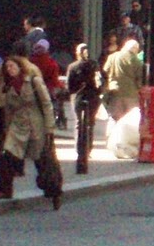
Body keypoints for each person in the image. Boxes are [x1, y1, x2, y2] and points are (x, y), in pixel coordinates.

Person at [0, 46, 58, 205]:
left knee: (42, 159)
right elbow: (5, 106)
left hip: (36, 124)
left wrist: (49, 128)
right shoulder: (7, 84)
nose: (9, 69)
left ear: (19, 65)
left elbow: (46, 103)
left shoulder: (33, 79)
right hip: (18, 124)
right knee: (7, 156)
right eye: (7, 67)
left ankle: (53, 190)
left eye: (12, 66)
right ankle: (4, 189)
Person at [65, 42, 102, 174]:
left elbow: (69, 86)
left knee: (79, 123)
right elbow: (99, 82)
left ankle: (79, 149)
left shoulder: (73, 66)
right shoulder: (94, 65)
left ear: (77, 53)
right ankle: (88, 148)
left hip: (78, 97)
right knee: (90, 123)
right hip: (92, 97)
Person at [28, 38, 67, 132]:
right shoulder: (51, 63)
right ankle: (59, 121)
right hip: (47, 91)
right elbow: (54, 81)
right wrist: (61, 86)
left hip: (31, 90)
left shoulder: (29, 61)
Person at [102, 37, 145, 120]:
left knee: (114, 118)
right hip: (131, 94)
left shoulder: (112, 57)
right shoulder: (136, 61)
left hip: (114, 92)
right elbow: (139, 79)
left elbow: (105, 70)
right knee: (130, 119)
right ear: (135, 49)